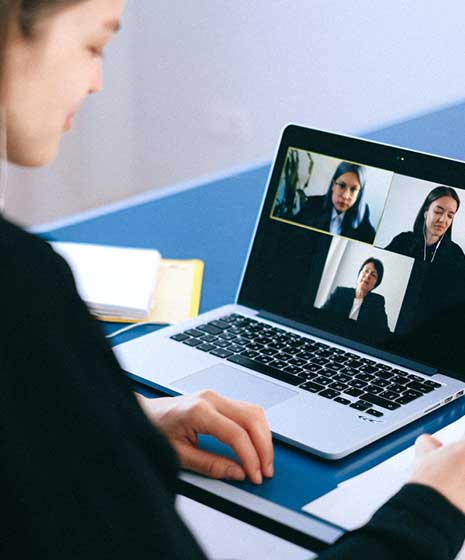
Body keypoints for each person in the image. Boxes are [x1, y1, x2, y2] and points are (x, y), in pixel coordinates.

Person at [1, 2, 465, 558]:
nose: (99, 81)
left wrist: (125, 424)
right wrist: (436, 503)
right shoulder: (23, 293)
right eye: (95, 44)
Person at [294, 161, 376, 243]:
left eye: (353, 189)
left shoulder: (362, 214)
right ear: (333, 185)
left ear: (359, 194)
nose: (345, 196)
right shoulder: (313, 204)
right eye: (342, 186)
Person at [385, 186, 465, 264]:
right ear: (426, 212)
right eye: (438, 212)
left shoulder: (456, 254)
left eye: (450, 216)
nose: (443, 220)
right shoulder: (402, 241)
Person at [322, 257, 389, 334]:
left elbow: (384, 332)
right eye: (366, 271)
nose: (367, 276)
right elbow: (321, 316)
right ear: (359, 274)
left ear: (376, 284)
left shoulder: (377, 302)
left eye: (373, 275)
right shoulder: (340, 292)